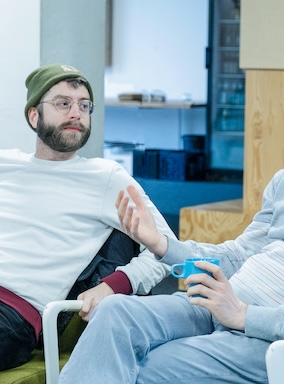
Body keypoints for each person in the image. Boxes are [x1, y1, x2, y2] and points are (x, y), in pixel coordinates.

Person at [58, 62, 284, 384]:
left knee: (141, 367)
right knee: (114, 313)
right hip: (223, 307)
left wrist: (246, 316)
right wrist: (163, 246)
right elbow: (239, 256)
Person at [0, 63, 176, 371]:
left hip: (14, 312)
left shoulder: (105, 177)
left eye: (84, 106)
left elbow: (168, 249)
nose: (76, 113)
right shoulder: (6, 164)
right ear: (33, 115)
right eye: (63, 104)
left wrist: (113, 285)